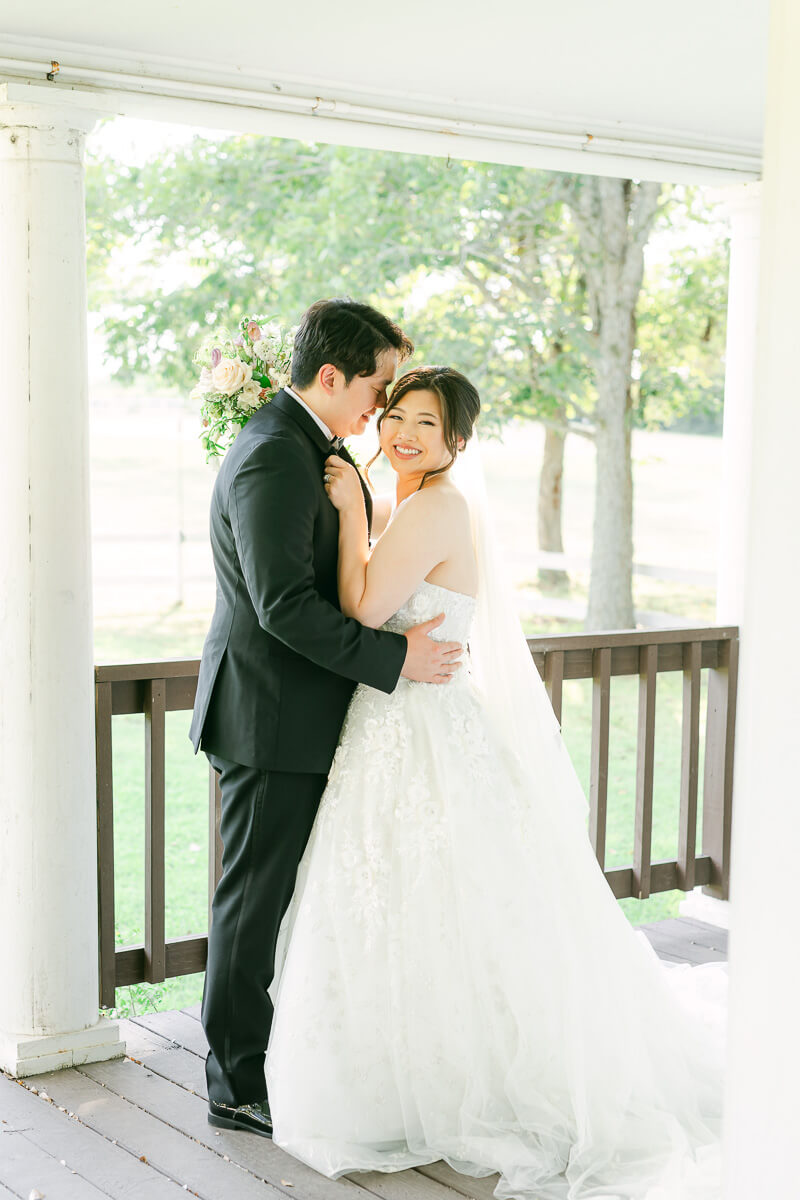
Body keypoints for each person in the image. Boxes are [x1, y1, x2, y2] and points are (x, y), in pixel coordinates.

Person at [264, 366, 728, 1200]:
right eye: (396, 413)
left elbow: (366, 608)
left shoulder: (432, 504)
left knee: (440, 902)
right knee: (404, 900)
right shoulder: (414, 496)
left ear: (458, 443)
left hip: (422, 731)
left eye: (426, 424)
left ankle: (461, 1085)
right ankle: (400, 1072)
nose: (403, 431)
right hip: (402, 724)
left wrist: (349, 515)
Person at [189, 301, 465, 1139]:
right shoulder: (276, 455)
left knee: (281, 898)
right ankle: (235, 1083)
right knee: (251, 902)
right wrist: (395, 660)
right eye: (379, 385)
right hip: (271, 717)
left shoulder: (309, 445)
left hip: (297, 713)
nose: (382, 407)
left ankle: (276, 1060)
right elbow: (282, 608)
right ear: (334, 375)